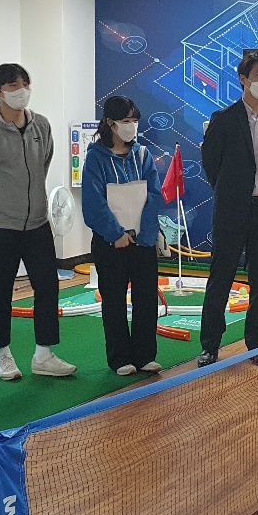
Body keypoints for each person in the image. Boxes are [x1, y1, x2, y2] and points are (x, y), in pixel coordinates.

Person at [0, 63, 77, 381]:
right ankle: (3, 354)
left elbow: (43, 165)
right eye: (13, 86)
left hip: (37, 223)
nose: (21, 90)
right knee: (2, 292)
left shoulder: (41, 126)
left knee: (47, 287)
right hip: (0, 226)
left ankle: (44, 354)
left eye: (25, 83)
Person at [197, 50, 258, 369]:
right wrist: (232, 191)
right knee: (220, 280)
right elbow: (211, 164)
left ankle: (257, 343)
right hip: (231, 210)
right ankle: (210, 346)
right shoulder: (224, 119)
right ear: (243, 79)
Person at [81, 96, 164, 375]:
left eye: (134, 120)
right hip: (110, 242)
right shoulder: (96, 157)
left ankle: (145, 355)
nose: (132, 126)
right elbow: (93, 202)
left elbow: (154, 195)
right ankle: (120, 358)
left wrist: (146, 234)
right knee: (114, 301)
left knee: (146, 299)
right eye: (126, 121)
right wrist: (115, 233)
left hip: (143, 240)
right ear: (110, 123)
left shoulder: (143, 155)